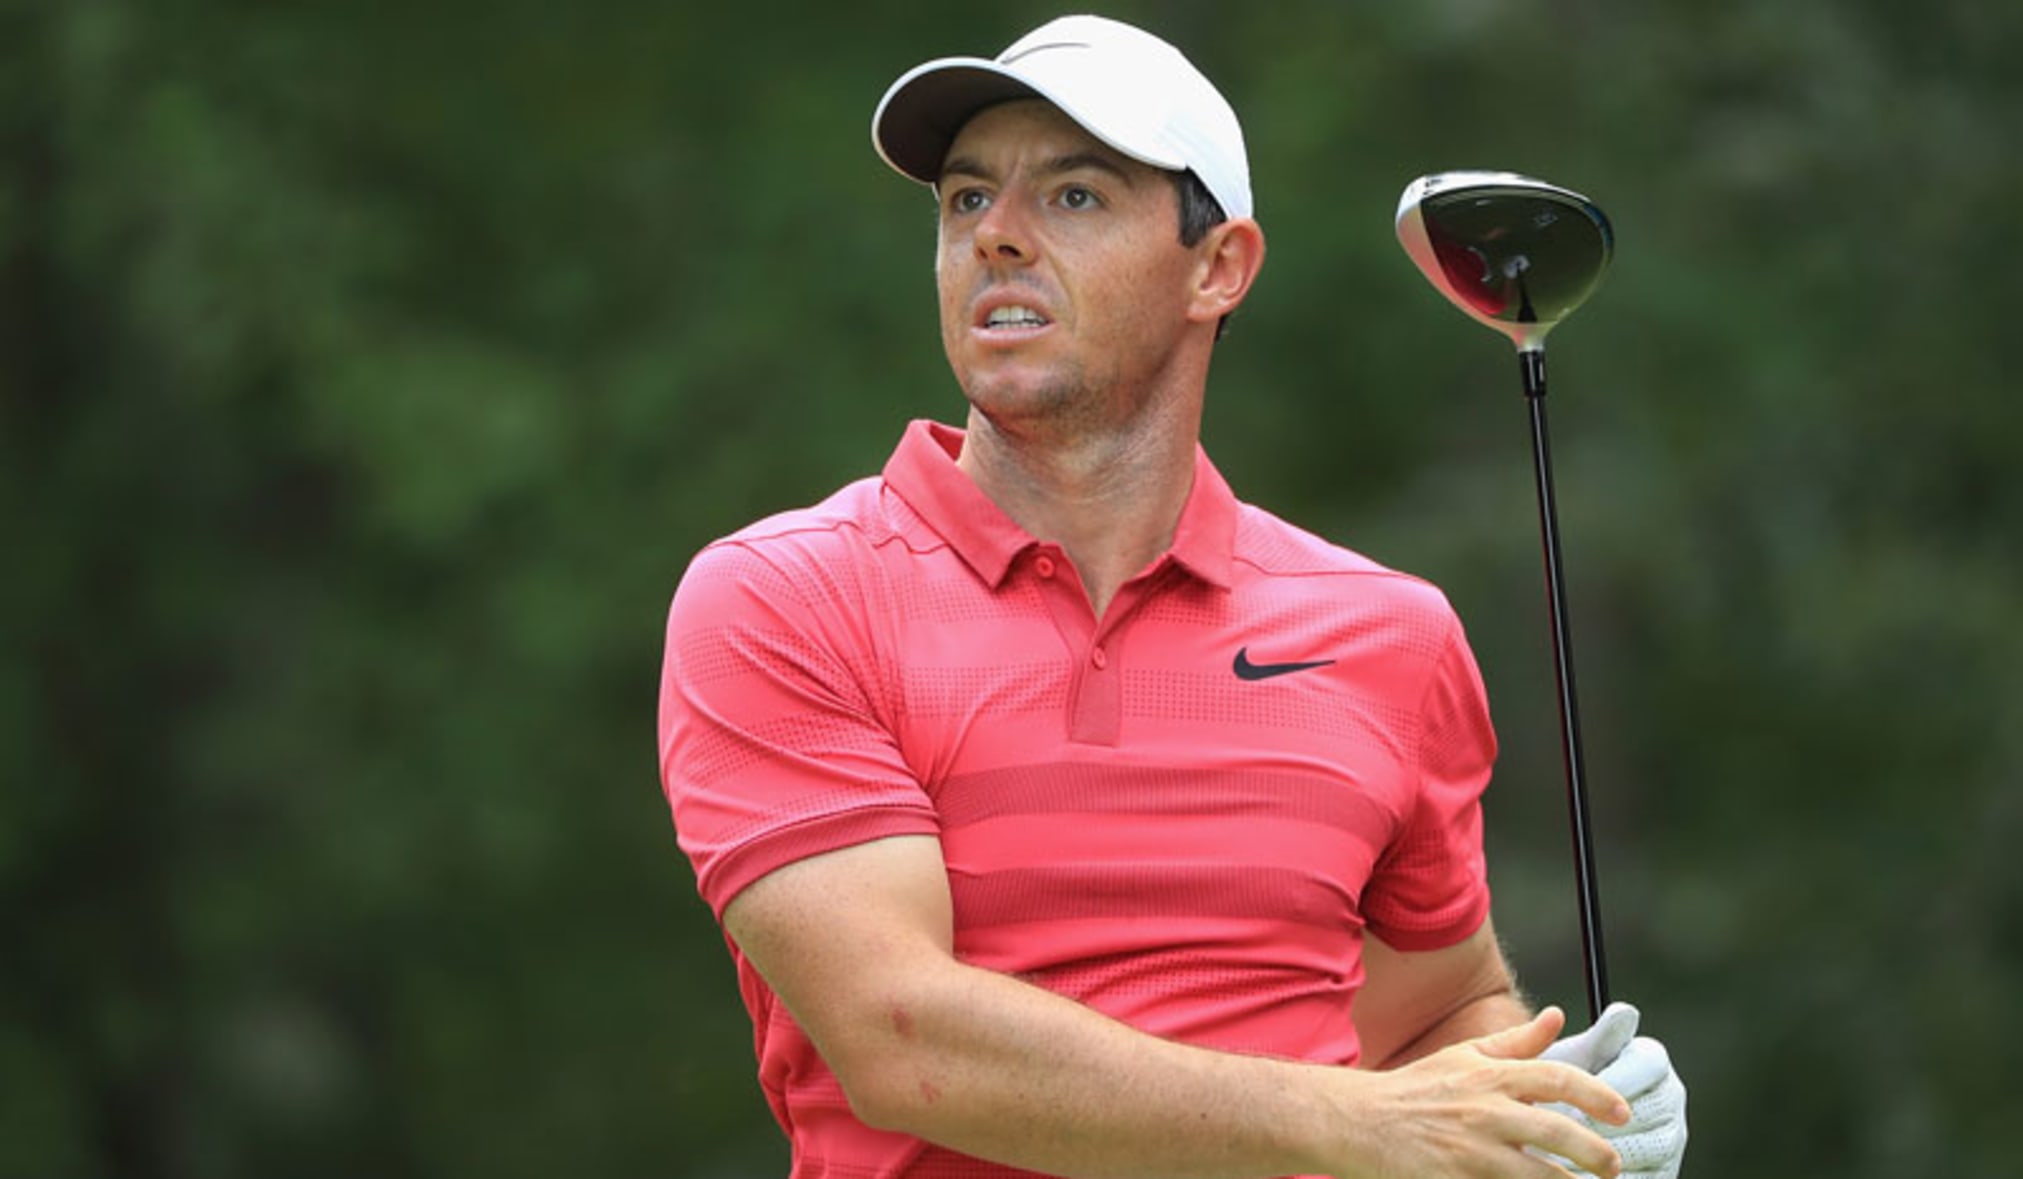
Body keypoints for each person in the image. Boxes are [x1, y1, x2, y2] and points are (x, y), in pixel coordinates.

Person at [658, 15, 1688, 1179]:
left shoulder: (1390, 634)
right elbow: (903, 1039)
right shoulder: (787, 598)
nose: (996, 234)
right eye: (966, 198)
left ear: (1219, 269)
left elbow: (1436, 1019)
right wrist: (1362, 1123)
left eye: (1075, 196)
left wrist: (1553, 1111)